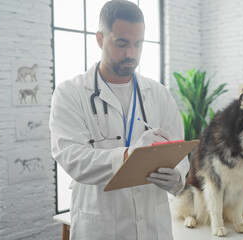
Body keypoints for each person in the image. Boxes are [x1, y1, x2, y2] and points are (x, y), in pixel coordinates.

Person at [49, 1, 189, 239]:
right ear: (100, 39)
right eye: (122, 43)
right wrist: (128, 156)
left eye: (138, 44)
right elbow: (72, 158)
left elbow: (179, 152)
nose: (131, 54)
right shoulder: (70, 93)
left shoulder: (159, 94)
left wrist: (177, 176)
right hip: (101, 225)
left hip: (153, 226)